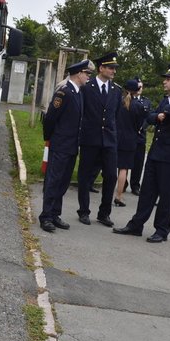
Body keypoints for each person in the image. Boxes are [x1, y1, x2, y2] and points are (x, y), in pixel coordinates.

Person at [113, 63, 170, 243]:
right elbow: (150, 117)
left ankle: (162, 230)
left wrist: (165, 112)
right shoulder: (165, 100)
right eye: (165, 79)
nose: (165, 82)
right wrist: (158, 115)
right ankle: (136, 225)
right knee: (147, 193)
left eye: (168, 79)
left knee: (166, 195)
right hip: (156, 154)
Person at [38, 59, 94, 232]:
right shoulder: (64, 92)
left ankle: (55, 214)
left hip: (71, 145)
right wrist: (51, 138)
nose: (88, 77)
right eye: (87, 74)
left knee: (63, 182)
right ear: (78, 73)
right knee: (53, 181)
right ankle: (46, 216)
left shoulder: (79, 93)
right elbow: (51, 118)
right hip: (60, 144)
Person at [76, 51, 121, 227]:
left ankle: (104, 213)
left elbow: (115, 116)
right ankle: (84, 211)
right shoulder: (87, 88)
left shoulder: (116, 91)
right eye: (110, 67)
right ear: (101, 68)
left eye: (115, 68)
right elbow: (81, 112)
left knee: (111, 176)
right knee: (85, 176)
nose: (113, 71)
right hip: (90, 139)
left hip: (109, 141)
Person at [115, 78, 147, 207]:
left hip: (117, 137)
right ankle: (119, 195)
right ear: (136, 90)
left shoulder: (119, 102)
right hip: (130, 139)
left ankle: (114, 191)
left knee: (115, 166)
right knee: (124, 168)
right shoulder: (138, 106)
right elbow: (140, 124)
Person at [127, 77, 151, 195]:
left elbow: (147, 117)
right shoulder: (126, 100)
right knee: (125, 161)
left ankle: (135, 185)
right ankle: (123, 183)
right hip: (128, 134)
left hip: (140, 135)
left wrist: (142, 127)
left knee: (138, 162)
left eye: (141, 87)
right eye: (138, 87)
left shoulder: (146, 101)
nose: (140, 89)